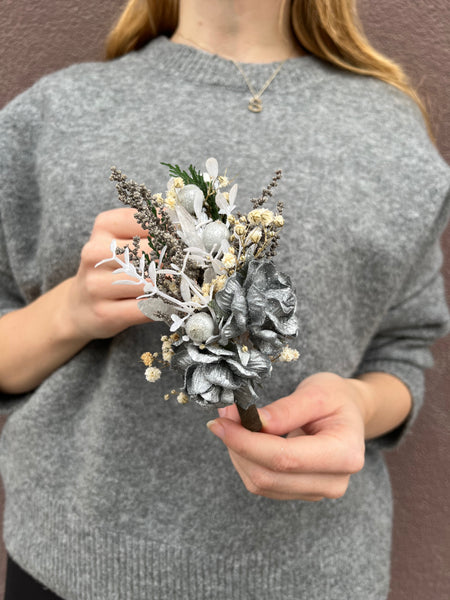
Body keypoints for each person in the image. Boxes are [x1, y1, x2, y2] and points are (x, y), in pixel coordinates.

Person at [0, 0, 449, 598]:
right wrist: (72, 310)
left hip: (312, 574)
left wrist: (356, 405)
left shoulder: (389, 131)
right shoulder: (52, 115)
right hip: (71, 565)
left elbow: (403, 352)